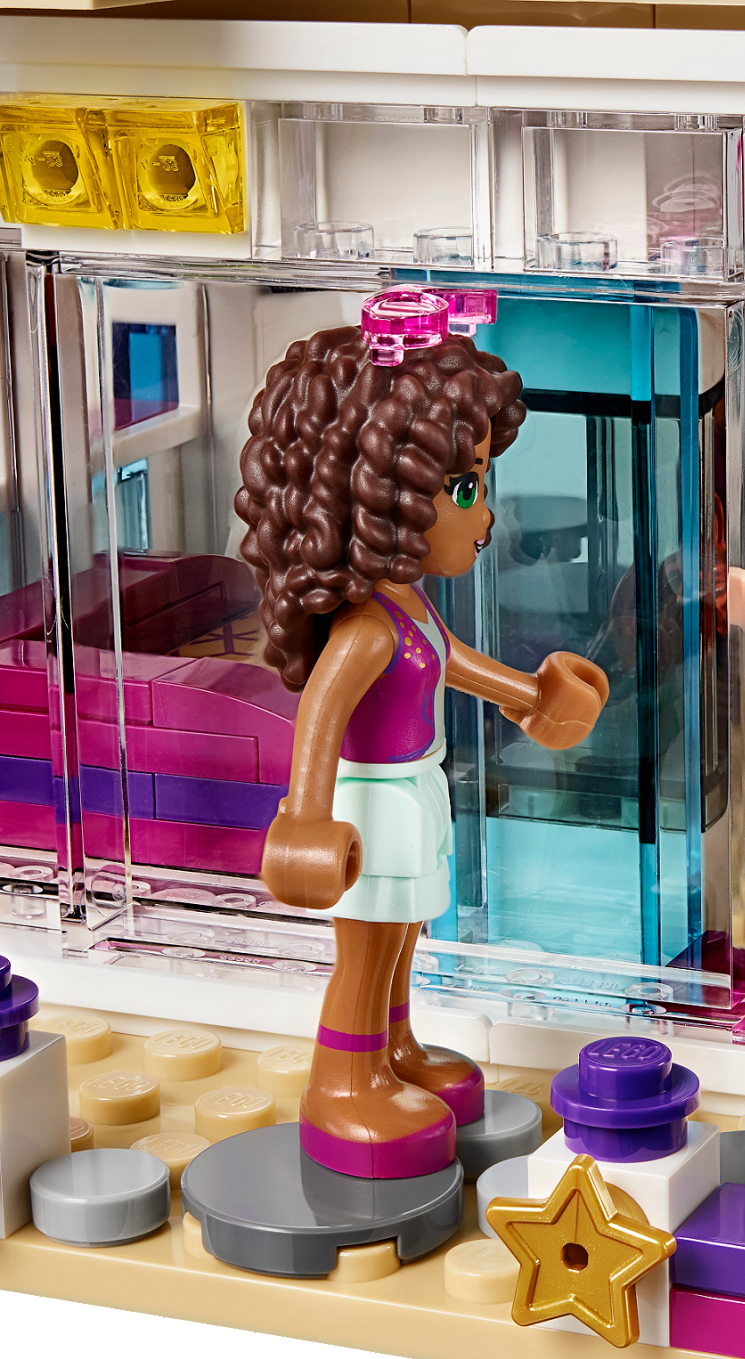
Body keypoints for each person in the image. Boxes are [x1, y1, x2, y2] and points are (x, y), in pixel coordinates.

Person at [237, 295, 607, 1176]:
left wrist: (531, 696)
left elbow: (451, 662)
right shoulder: (364, 629)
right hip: (369, 806)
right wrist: (305, 818)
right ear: (378, 497)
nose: (485, 517)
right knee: (367, 946)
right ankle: (341, 1083)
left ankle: (393, 1050)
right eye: (466, 491)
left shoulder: (405, 606)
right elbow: (320, 718)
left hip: (412, 792)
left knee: (403, 934)